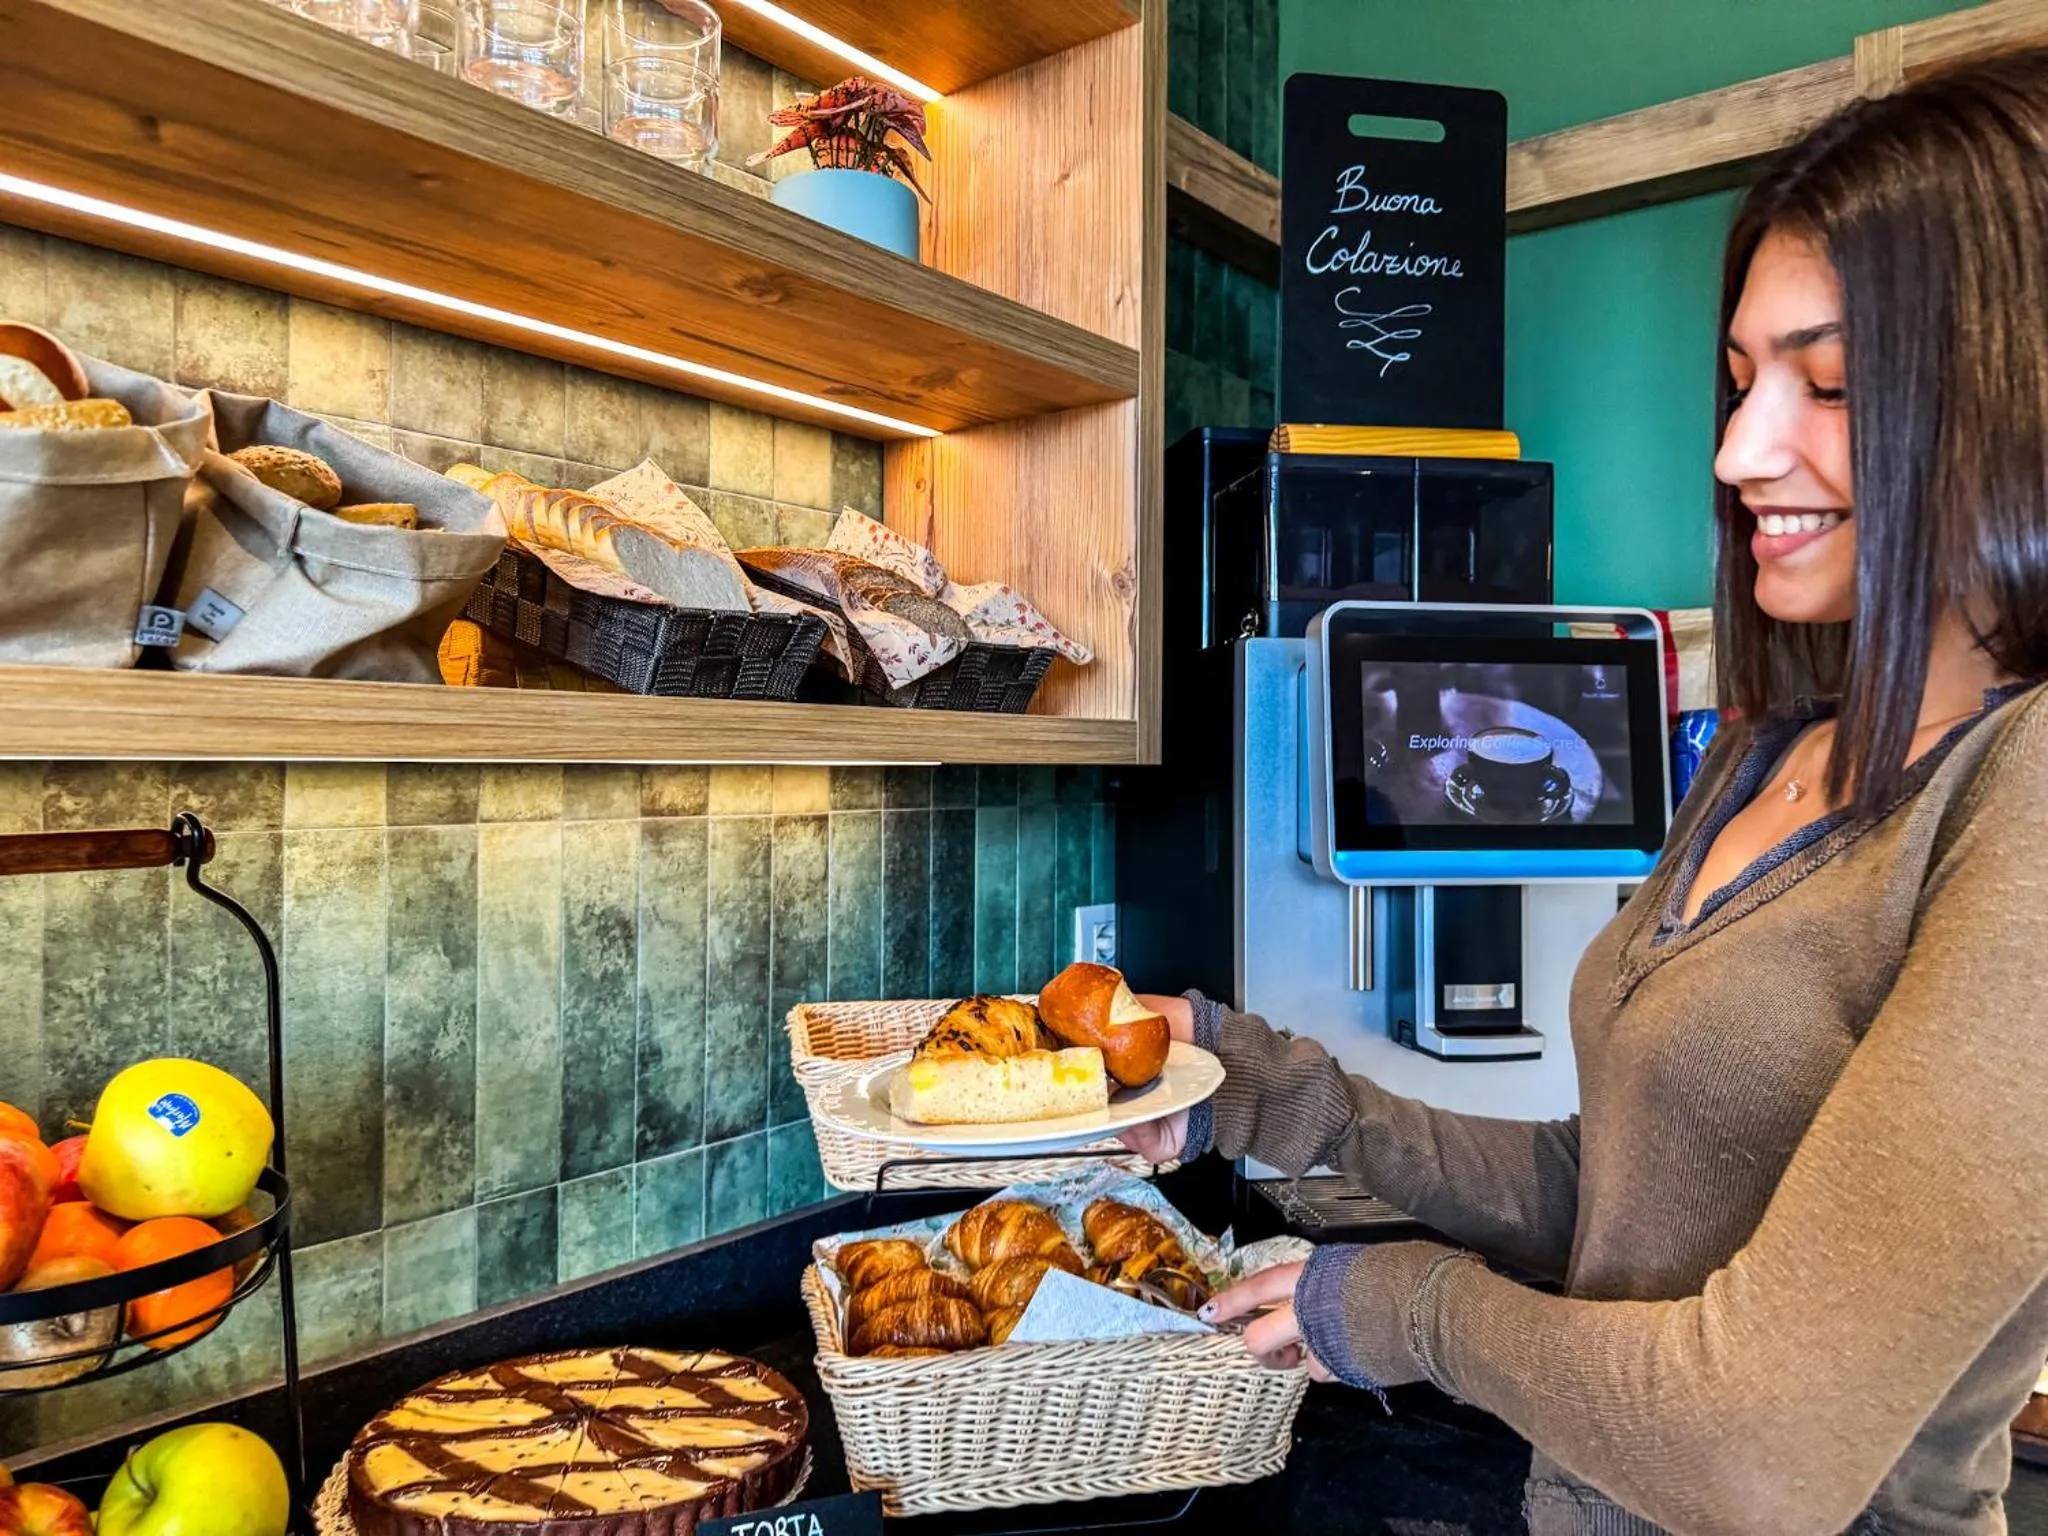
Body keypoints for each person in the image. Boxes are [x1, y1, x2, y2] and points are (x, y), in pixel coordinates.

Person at [1121, 49, 2048, 1536]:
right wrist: (1264, 1085)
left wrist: (1407, 1310)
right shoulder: (1761, 750)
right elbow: (1598, 1199)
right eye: (1741, 383)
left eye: (1834, 384)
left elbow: (1758, 1450)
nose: (1744, 452)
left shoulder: (2021, 791)